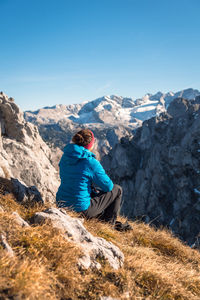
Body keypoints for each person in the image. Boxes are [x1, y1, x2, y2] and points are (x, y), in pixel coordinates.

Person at [56, 129, 132, 231]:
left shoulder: (65, 157)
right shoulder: (90, 162)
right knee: (117, 189)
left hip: (62, 204)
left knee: (91, 190)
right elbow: (108, 186)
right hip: (80, 209)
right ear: (90, 145)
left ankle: (102, 218)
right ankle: (109, 225)